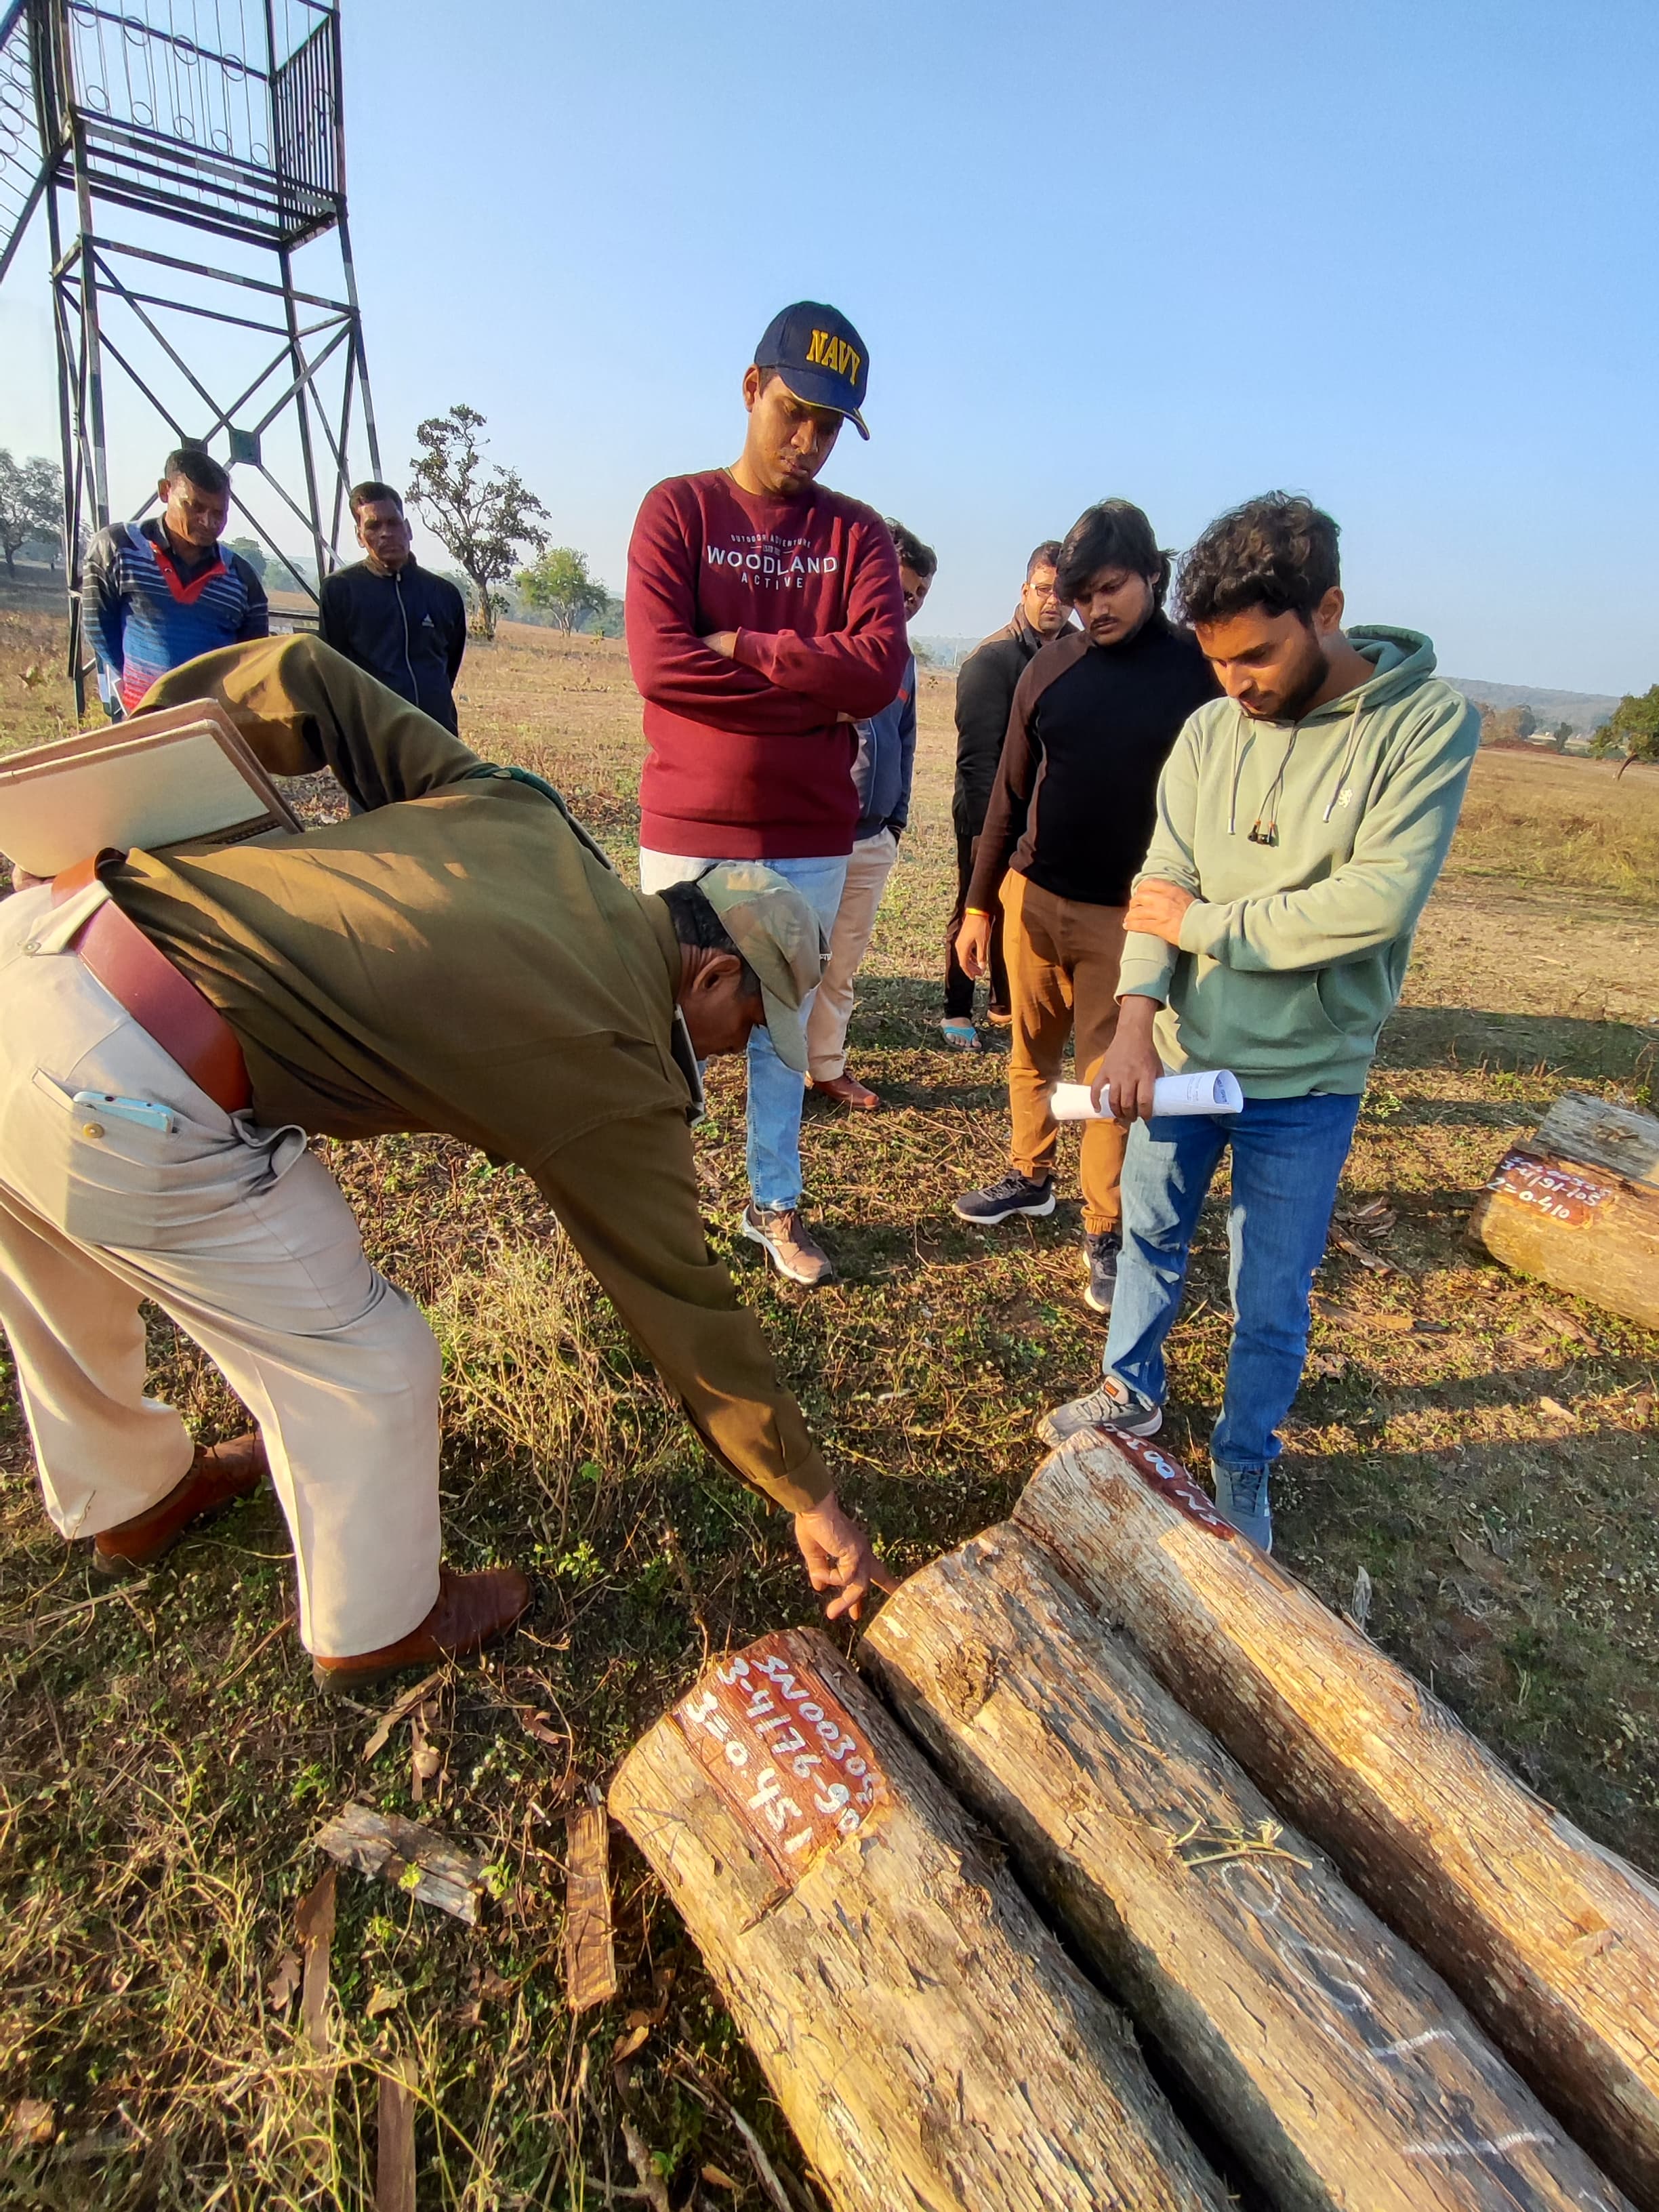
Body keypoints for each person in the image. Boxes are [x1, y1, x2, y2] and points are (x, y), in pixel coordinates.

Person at [0, 636, 894, 1695]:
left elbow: (310, 675)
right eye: (749, 1021)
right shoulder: (615, 1057)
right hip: (124, 1085)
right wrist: (811, 1496)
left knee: (54, 1270)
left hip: (41, 939)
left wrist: (111, 776)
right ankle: (379, 1621)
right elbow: (683, 1301)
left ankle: (130, 1497)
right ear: (709, 973)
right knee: (369, 1360)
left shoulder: (529, 817)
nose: (737, 1052)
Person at [1038, 493, 1479, 1551]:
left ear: (1328, 610)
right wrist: (1134, 1025)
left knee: (1271, 1291)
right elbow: (1162, 879)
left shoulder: (1424, 726)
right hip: (1183, 1058)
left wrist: (1206, 927)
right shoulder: (1209, 730)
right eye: (1216, 660)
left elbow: (1374, 903)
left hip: (1309, 1075)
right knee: (1148, 1233)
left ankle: (1244, 1459)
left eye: (1256, 657)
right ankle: (1130, 1392)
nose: (1236, 684)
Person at [626, 301, 909, 1288]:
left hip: (808, 838)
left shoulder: (856, 534)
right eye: (795, 412)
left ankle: (773, 1205)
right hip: (688, 829)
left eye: (831, 426)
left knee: (783, 1026)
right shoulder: (680, 512)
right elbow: (662, 666)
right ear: (752, 389)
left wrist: (746, 648)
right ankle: (657, 1208)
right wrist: (813, 693)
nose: (809, 441)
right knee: (669, 1024)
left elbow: (878, 675)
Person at [953, 501, 1218, 1315]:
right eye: (1081, 595)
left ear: (1153, 575)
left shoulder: (1198, 674)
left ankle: (1104, 1228)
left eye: (1111, 589)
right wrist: (978, 907)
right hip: (1033, 896)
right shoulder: (1050, 668)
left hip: (1128, 918)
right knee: (1031, 1052)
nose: (1095, 609)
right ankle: (1029, 1176)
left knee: (1109, 1078)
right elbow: (1007, 795)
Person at [805, 519, 935, 1109]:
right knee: (794, 958)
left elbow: (904, 740)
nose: (908, 603)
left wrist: (896, 821)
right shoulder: (826, 638)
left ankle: (826, 1066)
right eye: (901, 588)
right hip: (815, 835)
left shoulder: (901, 659)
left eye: (919, 595)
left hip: (873, 836)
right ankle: (779, 1071)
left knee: (842, 962)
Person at [941, 542, 1069, 1048]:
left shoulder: (1080, 652)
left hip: (1048, 815)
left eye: (1064, 593)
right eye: (1044, 590)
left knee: (1025, 911)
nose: (1054, 602)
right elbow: (978, 759)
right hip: (989, 812)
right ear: (1025, 590)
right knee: (976, 905)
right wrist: (987, 832)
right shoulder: (992, 660)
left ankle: (1003, 1002)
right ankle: (956, 1008)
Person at [83, 447, 268, 718]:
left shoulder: (242, 578)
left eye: (219, 513)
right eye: (196, 507)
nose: (208, 522)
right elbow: (98, 628)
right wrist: (143, 687)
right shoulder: (116, 548)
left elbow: (253, 661)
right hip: (141, 717)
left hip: (213, 722)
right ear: (165, 491)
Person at [319, 483, 469, 734]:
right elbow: (334, 672)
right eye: (373, 526)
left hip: (438, 737)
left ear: (408, 529)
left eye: (393, 523)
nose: (386, 533)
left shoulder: (444, 594)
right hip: (376, 738)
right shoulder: (340, 590)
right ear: (360, 536)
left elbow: (448, 669)